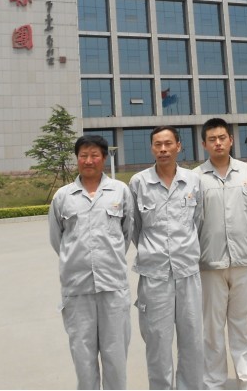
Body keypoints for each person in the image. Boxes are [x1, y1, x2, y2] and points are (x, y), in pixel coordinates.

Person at [48, 134, 134, 390]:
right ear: (77, 159)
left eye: (94, 155)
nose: (88, 160)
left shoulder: (120, 191)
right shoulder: (63, 196)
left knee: (116, 356)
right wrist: (79, 259)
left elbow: (126, 233)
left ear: (104, 158)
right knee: (83, 358)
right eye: (83, 155)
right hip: (77, 289)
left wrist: (106, 258)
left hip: (113, 287)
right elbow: (58, 240)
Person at [129, 126, 204, 390]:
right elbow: (134, 228)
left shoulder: (193, 181)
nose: (163, 149)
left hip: (188, 273)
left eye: (168, 143)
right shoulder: (139, 183)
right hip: (154, 276)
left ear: (178, 146)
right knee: (157, 342)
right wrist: (153, 251)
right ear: (151, 148)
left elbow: (198, 221)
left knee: (192, 341)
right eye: (157, 144)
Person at [194, 118, 247, 390]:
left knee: (243, 324)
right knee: (212, 329)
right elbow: (191, 222)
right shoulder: (195, 178)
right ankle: (214, 383)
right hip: (210, 263)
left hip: (244, 261)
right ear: (204, 144)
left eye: (222, 138)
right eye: (212, 139)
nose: (218, 143)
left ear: (231, 140)